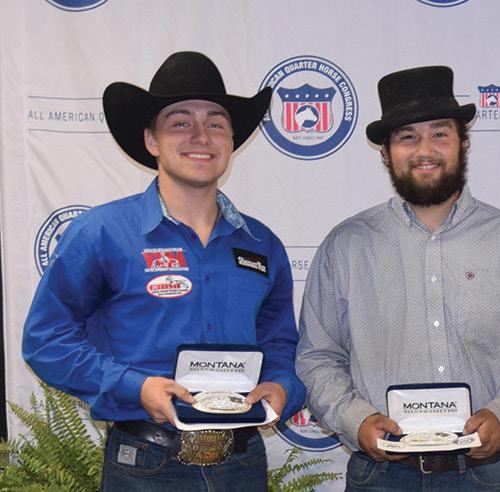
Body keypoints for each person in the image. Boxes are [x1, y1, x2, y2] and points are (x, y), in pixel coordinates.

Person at [23, 51, 306, 490]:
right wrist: (135, 387)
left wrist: (282, 385)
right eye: (180, 122)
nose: (201, 136)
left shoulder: (262, 244)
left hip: (243, 463)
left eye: (216, 124)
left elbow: (279, 342)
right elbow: (46, 340)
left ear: (231, 141)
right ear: (151, 141)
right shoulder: (102, 232)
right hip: (146, 464)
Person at [296, 65, 500, 491]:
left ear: (463, 142)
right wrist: (357, 420)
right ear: (386, 152)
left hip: (483, 475)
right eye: (408, 137)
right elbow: (317, 356)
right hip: (380, 476)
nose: (425, 150)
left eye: (440, 133)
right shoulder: (346, 246)